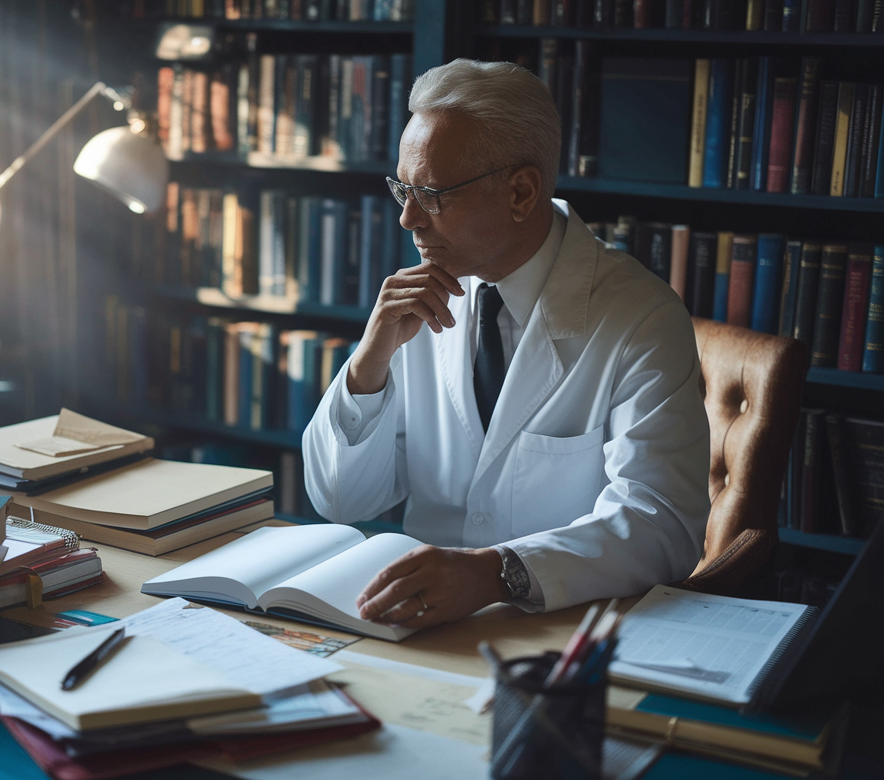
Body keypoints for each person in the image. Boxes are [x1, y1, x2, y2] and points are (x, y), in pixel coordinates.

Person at [301, 58, 711, 628]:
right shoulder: (419, 298)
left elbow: (663, 523)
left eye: (432, 194)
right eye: (402, 189)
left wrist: (496, 573)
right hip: (423, 623)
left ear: (521, 192)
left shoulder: (641, 318)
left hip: (563, 630)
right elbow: (342, 500)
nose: (407, 219)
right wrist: (370, 363)